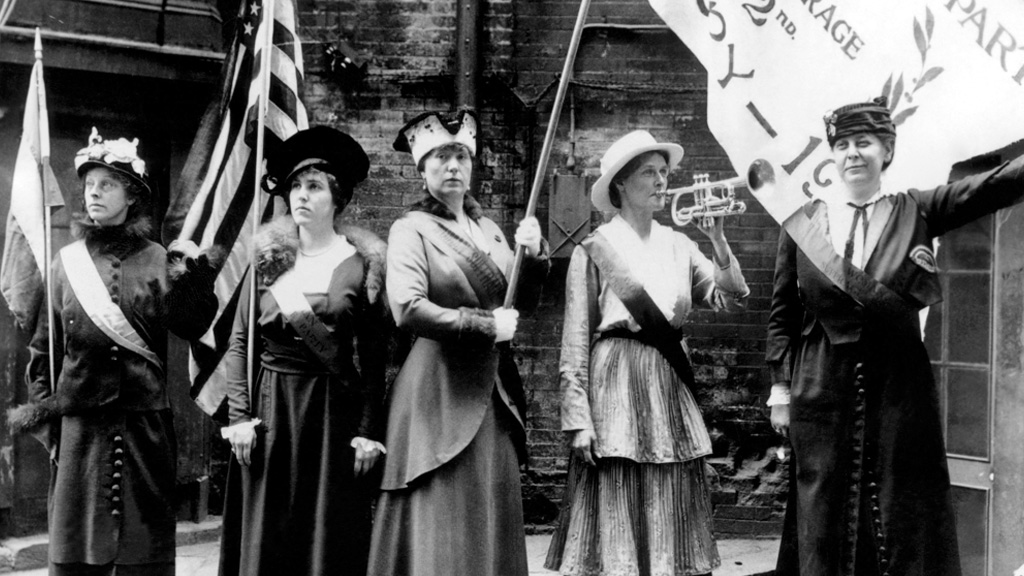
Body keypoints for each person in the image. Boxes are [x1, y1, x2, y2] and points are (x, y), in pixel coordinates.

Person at [765, 97, 1024, 575]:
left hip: (899, 383)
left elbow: (992, 186)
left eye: (864, 143)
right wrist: (780, 391)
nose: (852, 154)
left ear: (886, 150)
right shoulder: (801, 225)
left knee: (901, 500)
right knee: (824, 501)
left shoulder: (917, 210)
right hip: (821, 379)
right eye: (842, 145)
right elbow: (782, 314)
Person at [9, 128, 219, 576]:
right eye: (89, 185)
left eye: (107, 185)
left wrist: (194, 276)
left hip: (144, 428)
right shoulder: (66, 263)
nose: (94, 193)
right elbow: (42, 351)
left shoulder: (159, 258)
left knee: (141, 555)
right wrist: (50, 426)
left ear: (131, 196)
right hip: (80, 430)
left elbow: (193, 326)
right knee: (77, 552)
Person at [544, 130, 750, 576]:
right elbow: (575, 339)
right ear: (620, 184)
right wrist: (578, 418)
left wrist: (717, 240)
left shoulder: (679, 244)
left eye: (664, 172)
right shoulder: (595, 248)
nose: (661, 182)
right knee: (616, 491)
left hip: (667, 382)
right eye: (649, 173)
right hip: (614, 381)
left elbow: (729, 298)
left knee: (671, 495)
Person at [367, 109, 550, 576]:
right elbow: (406, 308)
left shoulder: (488, 231)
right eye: (441, 156)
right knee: (442, 515)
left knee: (485, 508)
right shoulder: (409, 229)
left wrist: (532, 254)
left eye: (461, 156)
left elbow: (521, 300)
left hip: (491, 393)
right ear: (421, 167)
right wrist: (485, 326)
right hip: (437, 392)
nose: (453, 166)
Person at [216, 126, 389, 576]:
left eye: (314, 186)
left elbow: (374, 358)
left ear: (338, 198)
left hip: (333, 416)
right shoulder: (269, 263)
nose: (301, 195)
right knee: (270, 534)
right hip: (272, 412)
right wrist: (238, 418)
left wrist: (370, 429)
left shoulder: (362, 267)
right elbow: (240, 343)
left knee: (327, 535)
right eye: (295, 186)